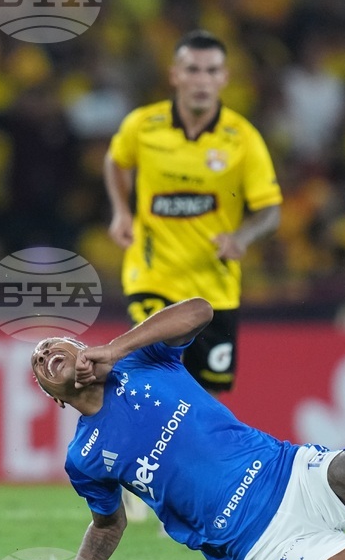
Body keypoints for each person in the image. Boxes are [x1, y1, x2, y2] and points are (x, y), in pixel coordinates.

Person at [15, 298, 345, 560]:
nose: (44, 353)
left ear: (80, 349)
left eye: (53, 344)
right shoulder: (84, 457)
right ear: (55, 398)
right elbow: (107, 524)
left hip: (290, 472)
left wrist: (116, 349)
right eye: (38, 362)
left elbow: (200, 311)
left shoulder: (139, 360)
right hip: (262, 542)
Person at [103, 29, 281, 395]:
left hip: (214, 288)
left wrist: (242, 237)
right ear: (175, 75)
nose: (202, 80)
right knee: (153, 384)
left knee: (206, 398)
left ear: (224, 78)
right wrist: (121, 211)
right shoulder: (143, 125)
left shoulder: (243, 138)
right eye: (193, 69)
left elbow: (270, 210)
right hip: (153, 276)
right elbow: (115, 161)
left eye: (211, 71)